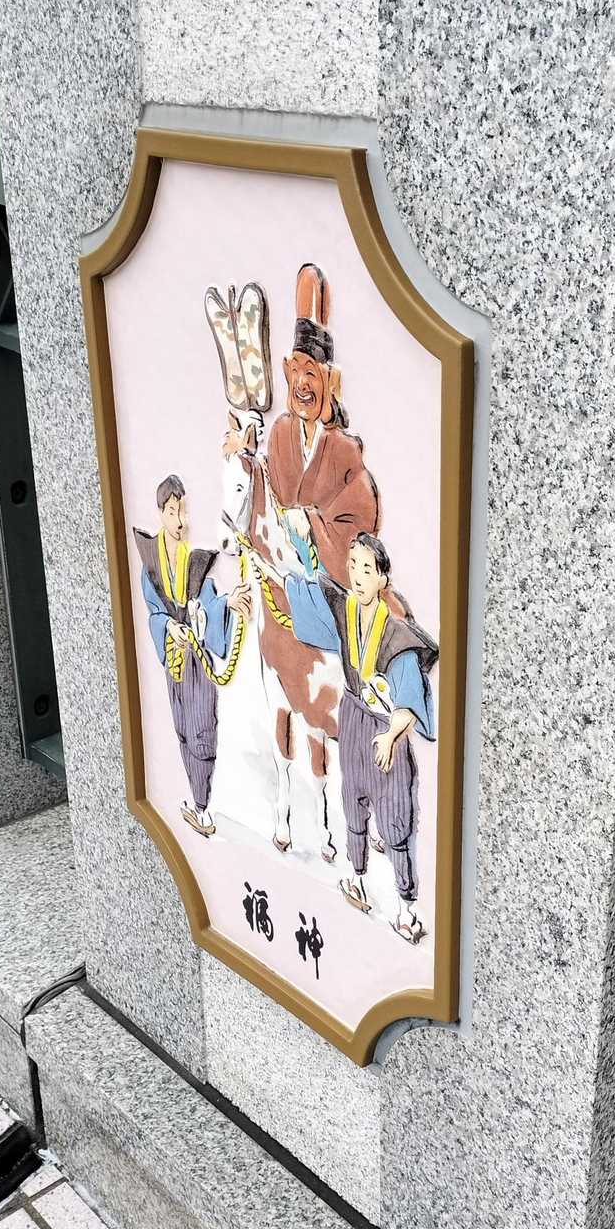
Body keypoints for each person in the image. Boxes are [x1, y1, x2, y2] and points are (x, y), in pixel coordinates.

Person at [284, 533, 437, 944]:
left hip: (385, 731)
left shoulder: (397, 637)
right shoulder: (346, 613)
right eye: (353, 565)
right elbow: (318, 595)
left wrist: (391, 736)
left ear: (383, 579)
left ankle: (406, 908)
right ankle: (357, 878)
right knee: (352, 800)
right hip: (352, 717)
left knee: (395, 814)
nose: (356, 575)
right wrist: (302, 554)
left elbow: (408, 698)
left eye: (367, 569)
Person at [134, 475, 252, 837]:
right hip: (174, 660)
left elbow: (208, 602)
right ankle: (197, 801)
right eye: (173, 512)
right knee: (183, 730)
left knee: (202, 730)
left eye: (183, 511)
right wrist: (170, 627)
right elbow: (154, 613)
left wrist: (228, 603)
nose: (181, 521)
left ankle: (202, 805)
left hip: (198, 662)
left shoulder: (195, 562)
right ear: (161, 513)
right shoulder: (150, 565)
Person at [266, 263, 380, 581]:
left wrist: (311, 524)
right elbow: (265, 495)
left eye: (311, 373)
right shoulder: (279, 434)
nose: (302, 384)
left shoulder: (344, 450)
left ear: (329, 381)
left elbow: (359, 524)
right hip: (279, 574)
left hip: (325, 585)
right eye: (296, 371)